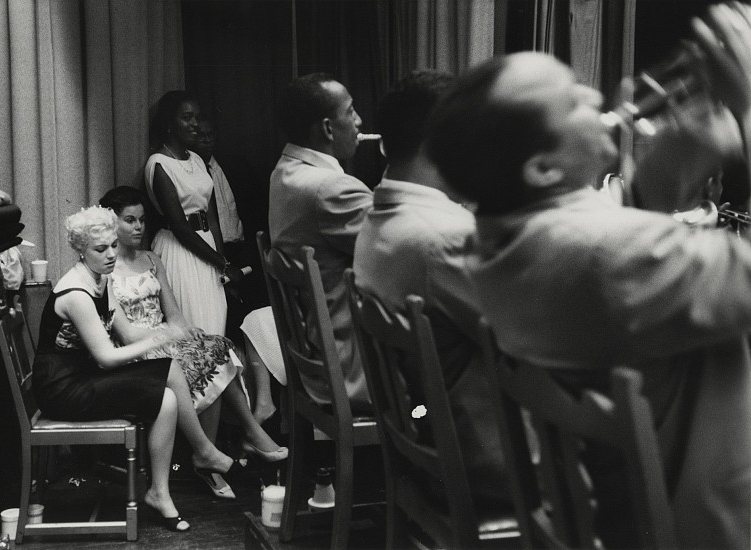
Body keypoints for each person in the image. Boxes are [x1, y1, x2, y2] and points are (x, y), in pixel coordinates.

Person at [425, 3, 751, 548]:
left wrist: (658, 179)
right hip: (714, 521)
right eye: (572, 98)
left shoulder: (499, 244)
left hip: (625, 510)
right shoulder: (610, 257)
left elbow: (611, 269)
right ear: (543, 169)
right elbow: (618, 265)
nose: (599, 97)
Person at [31, 206, 243, 533]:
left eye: (113, 245)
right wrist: (162, 337)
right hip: (64, 389)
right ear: (81, 251)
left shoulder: (102, 279)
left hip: (84, 377)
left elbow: (129, 334)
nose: (111, 254)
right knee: (167, 375)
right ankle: (203, 452)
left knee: (168, 399)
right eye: (100, 250)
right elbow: (106, 357)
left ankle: (161, 491)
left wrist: (171, 335)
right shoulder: (77, 293)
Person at [352, 70, 508, 505]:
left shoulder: (379, 215)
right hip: (486, 457)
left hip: (423, 440)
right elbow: (535, 338)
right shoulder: (444, 236)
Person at [99, 187, 287, 500]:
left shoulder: (151, 259)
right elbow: (125, 332)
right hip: (134, 352)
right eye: (129, 220)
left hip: (165, 338)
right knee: (208, 358)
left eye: (142, 220)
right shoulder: (106, 268)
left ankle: (223, 449)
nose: (138, 227)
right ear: (110, 223)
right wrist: (170, 338)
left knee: (217, 346)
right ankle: (234, 443)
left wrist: (190, 334)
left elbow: (174, 315)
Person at [269, 73, 372, 411]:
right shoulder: (331, 188)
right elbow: (397, 252)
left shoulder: (284, 171)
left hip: (315, 362)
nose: (359, 122)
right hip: (355, 369)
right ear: (328, 129)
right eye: (351, 111)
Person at [190, 117, 279, 425]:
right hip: (209, 256)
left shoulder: (235, 166)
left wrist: (248, 266)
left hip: (245, 254)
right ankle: (233, 422)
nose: (206, 139)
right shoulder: (188, 174)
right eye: (199, 133)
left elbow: (260, 219)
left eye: (211, 132)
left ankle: (264, 407)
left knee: (259, 318)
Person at [145, 91, 243, 338]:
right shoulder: (159, 164)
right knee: (194, 325)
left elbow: (212, 219)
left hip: (207, 250)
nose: (195, 124)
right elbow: (179, 226)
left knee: (215, 325)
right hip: (179, 251)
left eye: (196, 117)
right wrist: (222, 263)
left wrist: (223, 263)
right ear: (169, 123)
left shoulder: (198, 160)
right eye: (187, 118)